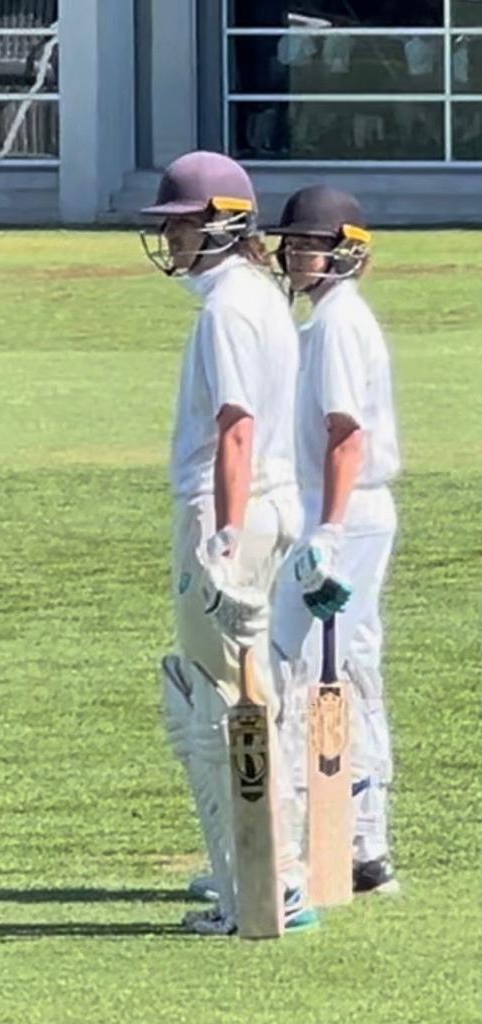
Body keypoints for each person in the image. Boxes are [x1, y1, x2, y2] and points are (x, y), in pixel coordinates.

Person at [139, 150, 317, 934]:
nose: (171, 239)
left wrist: (222, 535)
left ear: (223, 225)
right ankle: (272, 873)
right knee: (252, 695)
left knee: (212, 705)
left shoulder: (228, 309)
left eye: (182, 224)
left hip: (233, 514)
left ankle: (255, 886)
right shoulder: (262, 298)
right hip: (267, 508)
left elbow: (235, 427)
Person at [266, 185, 401, 894]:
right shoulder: (330, 321)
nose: (294, 256)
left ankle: (328, 849)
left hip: (341, 513)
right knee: (341, 669)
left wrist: (327, 530)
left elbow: (346, 435)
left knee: (313, 675)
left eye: (308, 244)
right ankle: (355, 848)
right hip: (341, 512)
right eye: (290, 244)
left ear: (344, 250)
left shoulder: (337, 326)